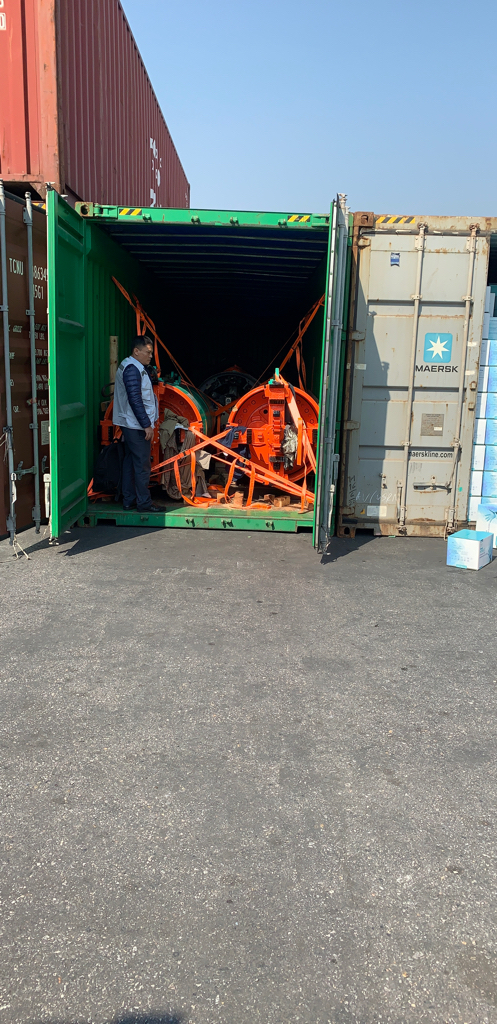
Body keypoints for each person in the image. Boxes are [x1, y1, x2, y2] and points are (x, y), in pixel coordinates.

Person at [113, 336, 160, 511]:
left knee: (130, 461)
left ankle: (129, 500)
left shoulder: (132, 366)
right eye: (148, 352)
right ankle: (144, 503)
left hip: (130, 423)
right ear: (136, 351)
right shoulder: (133, 369)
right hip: (135, 425)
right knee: (142, 465)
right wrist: (146, 424)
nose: (150, 356)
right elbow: (135, 399)